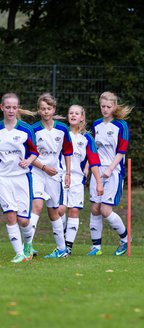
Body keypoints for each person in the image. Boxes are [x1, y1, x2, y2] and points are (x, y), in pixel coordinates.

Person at [88, 91, 133, 256]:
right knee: (94, 208)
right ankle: (96, 248)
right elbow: (92, 149)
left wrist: (109, 169)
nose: (105, 109)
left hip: (113, 172)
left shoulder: (121, 125)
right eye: (103, 106)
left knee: (105, 210)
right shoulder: (96, 124)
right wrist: (88, 167)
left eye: (108, 106)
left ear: (114, 107)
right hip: (97, 171)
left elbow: (121, 151)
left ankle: (125, 239)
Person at [30, 93, 73, 258]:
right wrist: (43, 166)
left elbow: (68, 151)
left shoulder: (62, 129)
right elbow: (29, 155)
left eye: (49, 108)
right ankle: (27, 247)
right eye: (42, 109)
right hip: (37, 172)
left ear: (53, 109)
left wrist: (68, 173)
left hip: (55, 175)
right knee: (37, 206)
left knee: (54, 211)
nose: (46, 111)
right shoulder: (33, 130)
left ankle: (62, 250)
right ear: (39, 111)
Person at [58, 105, 104, 256]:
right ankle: (62, 241)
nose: (73, 115)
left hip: (77, 179)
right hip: (60, 176)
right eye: (70, 112)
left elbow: (95, 162)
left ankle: (68, 248)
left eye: (76, 113)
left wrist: (98, 182)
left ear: (82, 117)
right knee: (59, 210)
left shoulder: (87, 138)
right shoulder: (61, 133)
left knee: (74, 209)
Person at [0, 92, 39, 263]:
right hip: (3, 178)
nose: (11, 110)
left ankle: (28, 245)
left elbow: (34, 152)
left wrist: (28, 161)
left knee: (24, 221)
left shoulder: (26, 129)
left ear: (18, 108)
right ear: (2, 107)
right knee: (10, 215)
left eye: (14, 107)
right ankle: (19, 254)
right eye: (7, 107)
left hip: (22, 178)